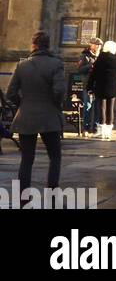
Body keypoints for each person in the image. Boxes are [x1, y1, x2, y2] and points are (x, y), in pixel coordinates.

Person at [6, 30, 66, 192]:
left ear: (33, 45)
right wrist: (55, 104)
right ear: (48, 45)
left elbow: (10, 93)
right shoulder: (56, 64)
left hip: (26, 116)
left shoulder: (22, 65)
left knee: (26, 159)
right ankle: (52, 193)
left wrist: (23, 104)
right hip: (49, 116)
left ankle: (23, 196)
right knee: (54, 157)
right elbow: (59, 91)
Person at [86, 39, 116, 141]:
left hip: (100, 87)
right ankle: (108, 132)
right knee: (110, 109)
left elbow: (93, 75)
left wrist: (89, 87)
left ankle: (101, 131)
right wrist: (115, 82)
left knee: (101, 108)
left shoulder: (100, 59)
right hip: (112, 87)